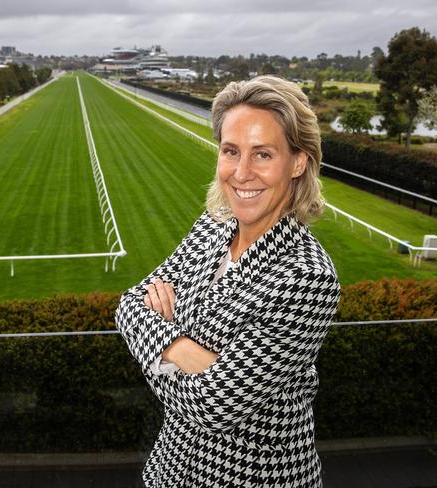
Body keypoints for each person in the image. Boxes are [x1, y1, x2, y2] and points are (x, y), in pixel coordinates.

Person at [114, 74, 341, 487]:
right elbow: (129, 305)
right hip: (170, 471)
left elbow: (214, 407)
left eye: (263, 155)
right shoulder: (213, 225)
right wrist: (191, 354)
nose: (241, 173)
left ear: (298, 161)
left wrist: (165, 333)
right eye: (230, 151)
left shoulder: (308, 278)